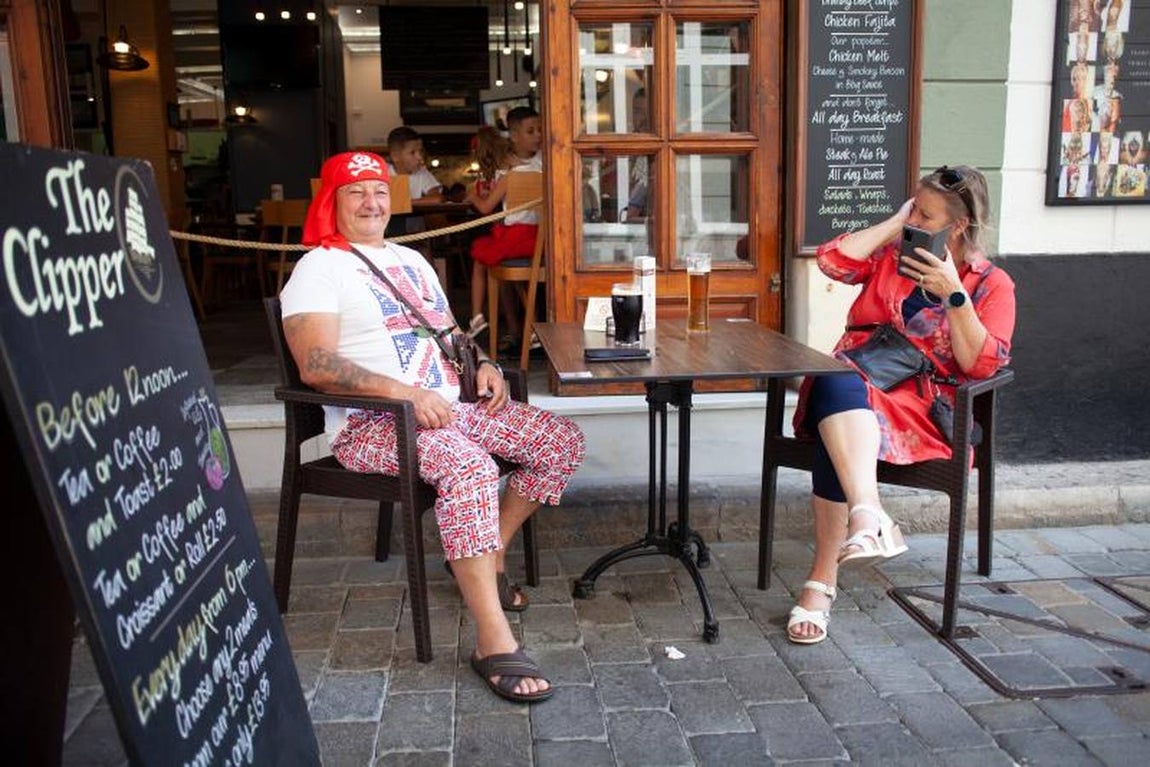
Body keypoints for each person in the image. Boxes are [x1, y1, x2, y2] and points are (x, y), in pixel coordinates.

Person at [279, 151, 586, 701]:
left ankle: (487, 552)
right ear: (333, 201)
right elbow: (315, 364)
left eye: (379, 191)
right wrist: (404, 392)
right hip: (374, 423)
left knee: (559, 440)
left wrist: (485, 362)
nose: (372, 202)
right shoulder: (318, 268)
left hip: (449, 407)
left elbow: (449, 335)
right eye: (356, 193)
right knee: (467, 468)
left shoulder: (411, 261)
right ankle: (492, 641)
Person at [785, 165, 1016, 645]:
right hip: (856, 385)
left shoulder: (991, 285)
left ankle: (822, 581)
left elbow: (979, 365)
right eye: (913, 209)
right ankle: (869, 515)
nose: (914, 222)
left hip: (920, 407)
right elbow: (832, 262)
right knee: (839, 381)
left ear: (958, 227)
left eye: (925, 216)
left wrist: (953, 296)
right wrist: (895, 223)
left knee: (836, 406)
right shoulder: (894, 255)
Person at [465, 106, 544, 351]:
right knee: (498, 263)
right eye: (532, 131)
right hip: (542, 241)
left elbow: (487, 207)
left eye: (540, 129)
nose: (539, 135)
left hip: (516, 237)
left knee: (480, 256)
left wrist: (470, 194)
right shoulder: (548, 165)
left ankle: (477, 317)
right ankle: (529, 328)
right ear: (514, 136)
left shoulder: (509, 174)